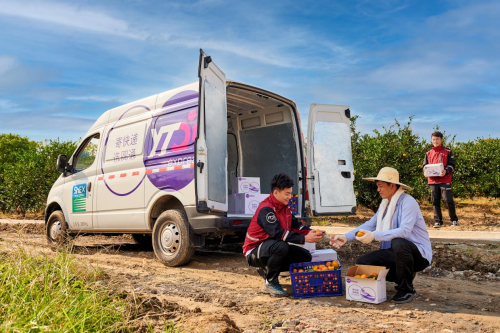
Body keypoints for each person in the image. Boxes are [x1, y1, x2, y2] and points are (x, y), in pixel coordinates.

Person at [330, 167, 432, 304]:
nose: (378, 190)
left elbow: (405, 231)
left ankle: (407, 289)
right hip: (395, 252)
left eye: (380, 186)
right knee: (363, 263)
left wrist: (375, 236)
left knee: (399, 242)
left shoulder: (408, 202)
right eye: (377, 186)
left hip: (418, 255)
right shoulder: (385, 204)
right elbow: (370, 224)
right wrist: (346, 237)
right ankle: (402, 276)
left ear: (392, 185)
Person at [243, 173, 323, 297]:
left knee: (305, 257)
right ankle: (270, 283)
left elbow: (296, 225)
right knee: (281, 246)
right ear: (276, 193)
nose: (290, 197)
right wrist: (304, 238)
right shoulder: (266, 209)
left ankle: (267, 269)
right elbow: (277, 234)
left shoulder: (284, 207)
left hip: (270, 248)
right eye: (287, 194)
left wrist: (310, 232)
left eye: (291, 193)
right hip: (254, 252)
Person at [423, 131, 459, 228]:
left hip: (445, 180)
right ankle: (438, 221)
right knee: (435, 201)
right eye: (434, 139)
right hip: (432, 181)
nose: (435, 141)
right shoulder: (428, 153)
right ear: (431, 140)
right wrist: (425, 172)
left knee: (448, 200)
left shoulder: (447, 151)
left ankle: (454, 220)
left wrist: (446, 171)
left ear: (441, 140)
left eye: (437, 139)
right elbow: (425, 165)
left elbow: (452, 164)